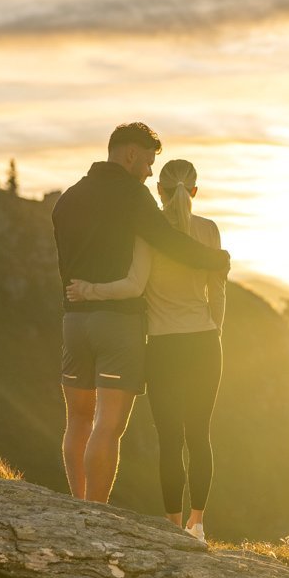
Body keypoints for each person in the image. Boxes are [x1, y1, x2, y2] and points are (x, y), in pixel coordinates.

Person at [51, 123, 229, 506]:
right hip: (119, 323)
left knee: (77, 420)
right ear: (131, 154)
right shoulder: (134, 197)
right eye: (148, 161)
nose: (150, 172)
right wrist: (217, 259)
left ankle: (75, 504)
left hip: (74, 321)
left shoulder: (67, 199)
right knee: (108, 425)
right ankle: (95, 512)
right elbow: (169, 242)